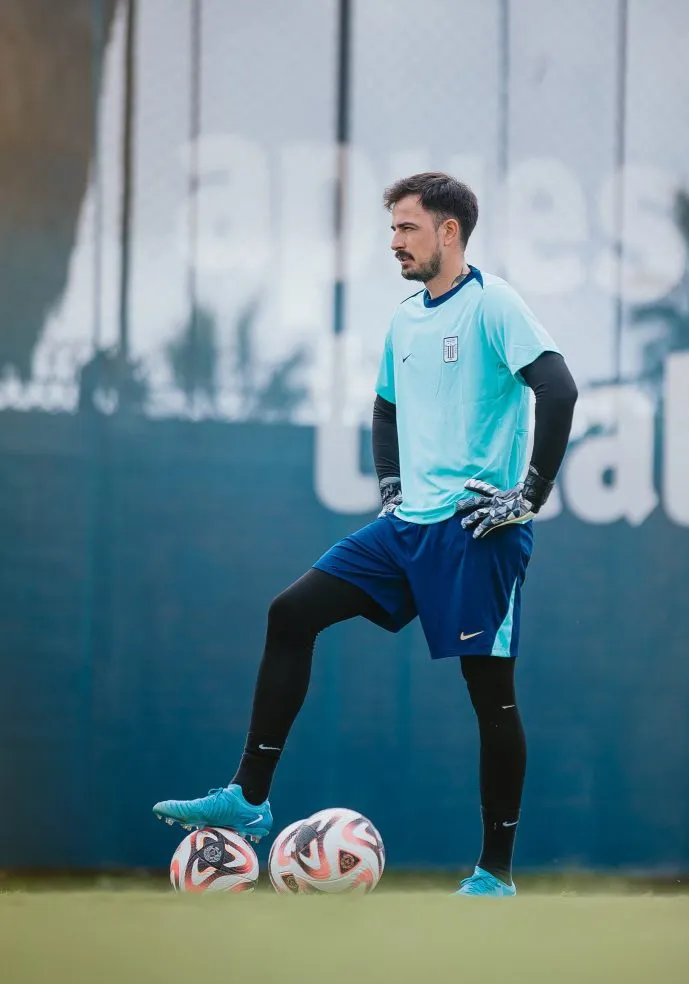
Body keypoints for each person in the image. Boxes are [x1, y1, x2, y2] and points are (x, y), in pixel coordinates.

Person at [153, 172, 578, 897]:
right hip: (405, 529)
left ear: (448, 231)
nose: (394, 243)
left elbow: (558, 388)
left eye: (406, 228)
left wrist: (526, 497)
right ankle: (248, 797)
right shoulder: (406, 318)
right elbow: (384, 411)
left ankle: (494, 874)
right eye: (391, 229)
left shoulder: (494, 303)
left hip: (475, 534)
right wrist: (391, 488)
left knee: (491, 698)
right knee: (290, 613)